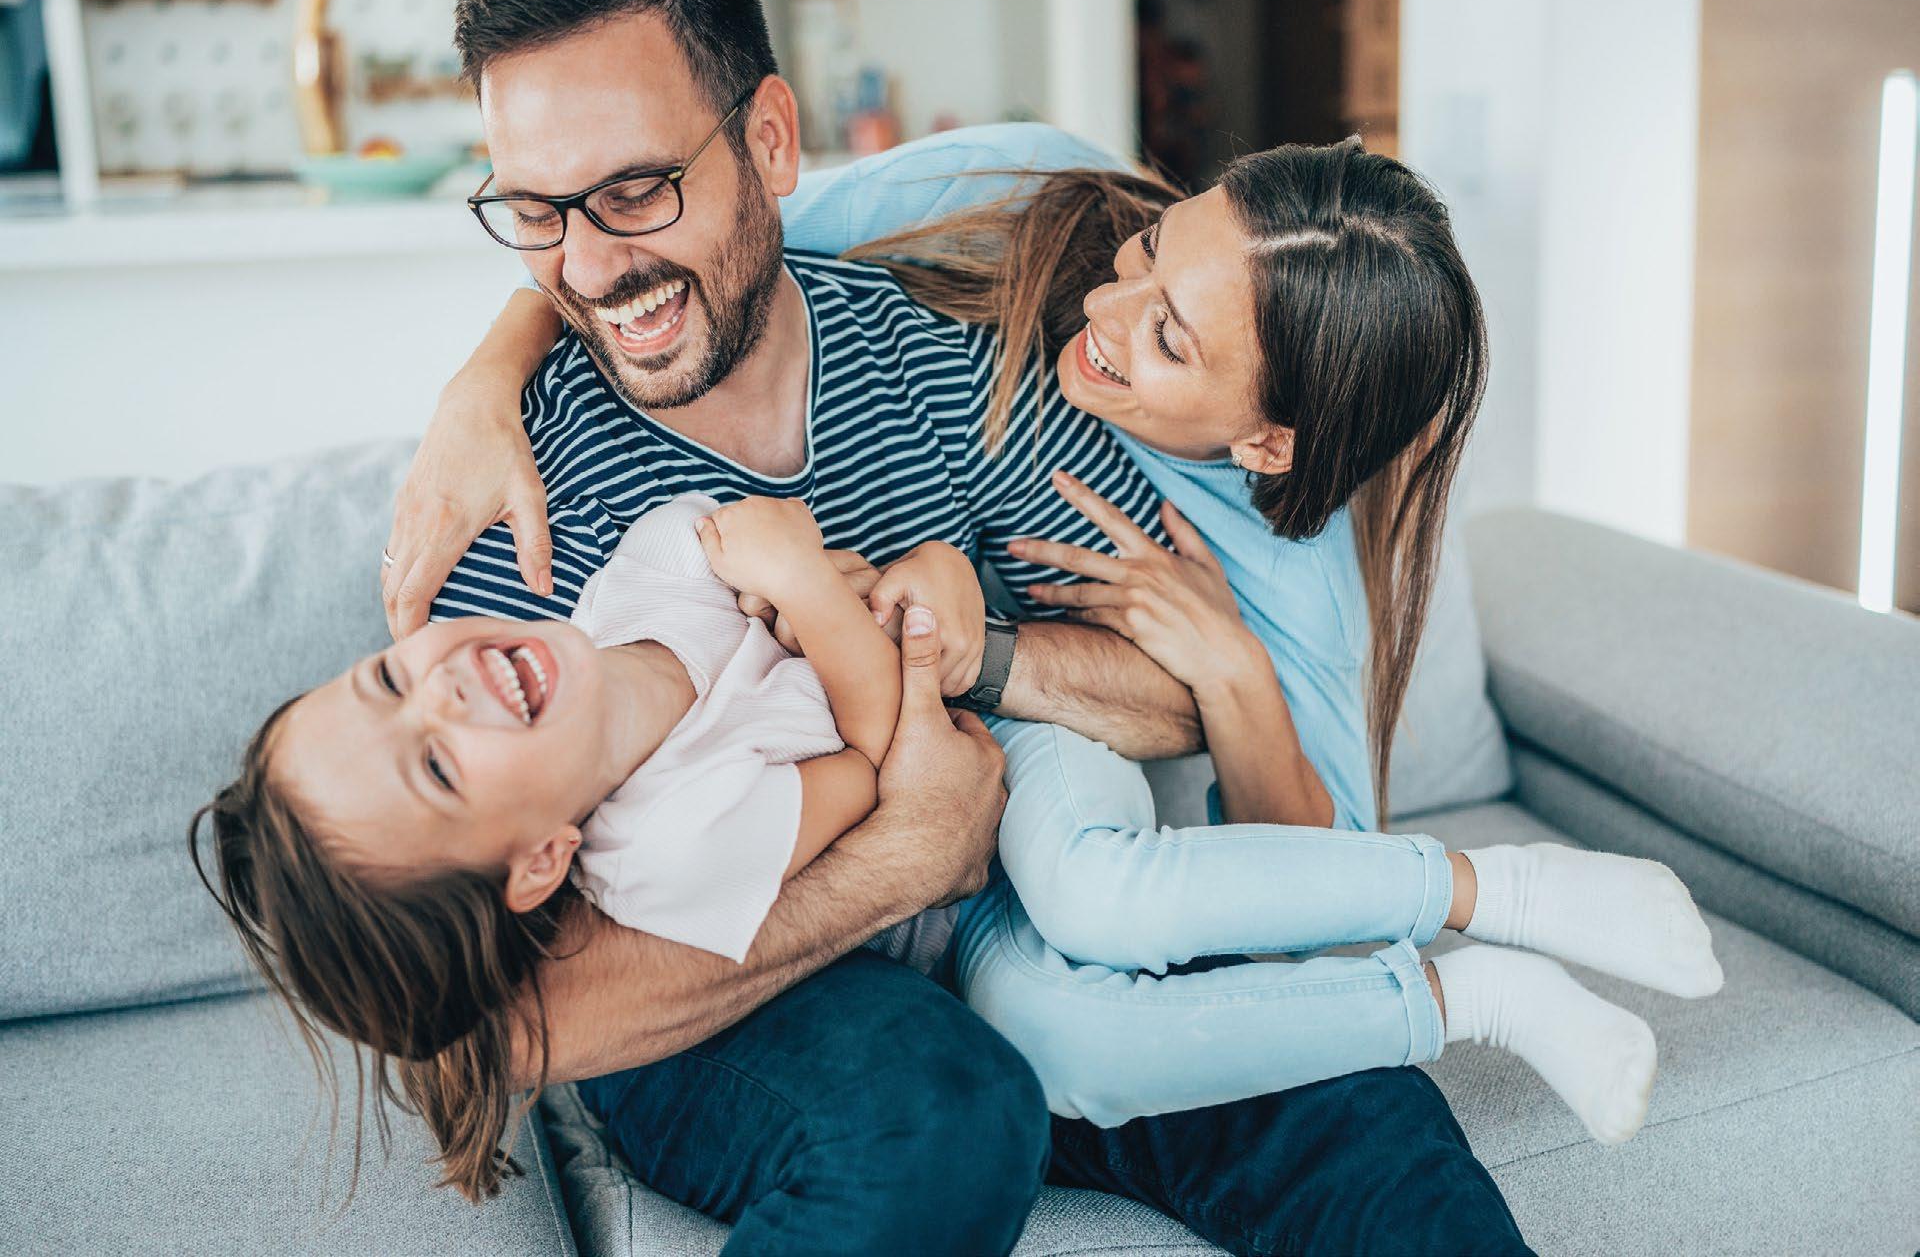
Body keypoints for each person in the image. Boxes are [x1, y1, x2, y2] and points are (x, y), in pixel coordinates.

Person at [370, 0, 1532, 1254]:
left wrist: (990, 651)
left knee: (1351, 1103)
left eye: (636, 192)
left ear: (769, 140)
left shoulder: (942, 368)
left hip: (996, 945)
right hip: (727, 1006)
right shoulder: (510, 489)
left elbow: (1170, 688)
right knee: (941, 1109)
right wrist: (895, 860)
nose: (589, 265)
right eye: (533, 211)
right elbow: (488, 1017)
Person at [193, 475, 1719, 1204]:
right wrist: (829, 606)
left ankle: (1495, 907)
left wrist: (932, 627)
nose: (445, 687)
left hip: (1018, 777)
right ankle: (1468, 978)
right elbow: (897, 794)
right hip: (926, 856)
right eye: (436, 764)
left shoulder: (654, 556)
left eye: (387, 680)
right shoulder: (649, 842)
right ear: (530, 860)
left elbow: (954, 737)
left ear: (764, 137)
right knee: (1046, 1040)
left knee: (1176, 972)